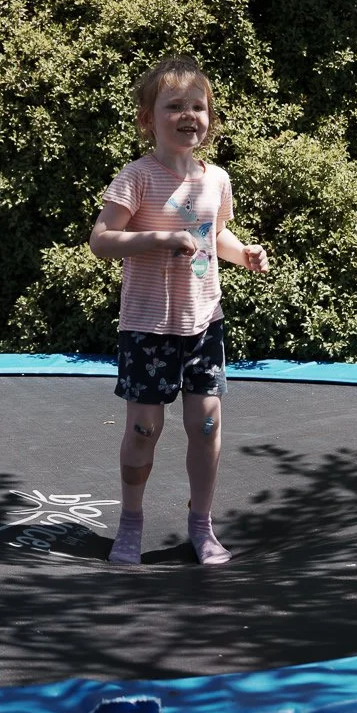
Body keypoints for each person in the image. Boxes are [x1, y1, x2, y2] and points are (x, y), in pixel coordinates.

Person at [87, 54, 268, 565]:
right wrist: (159, 238)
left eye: (198, 107)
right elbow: (102, 240)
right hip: (148, 326)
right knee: (144, 430)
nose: (189, 116)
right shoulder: (136, 178)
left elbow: (216, 236)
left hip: (204, 322)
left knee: (207, 427)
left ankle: (202, 526)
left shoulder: (216, 180)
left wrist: (245, 253)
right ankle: (131, 522)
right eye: (174, 107)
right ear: (149, 119)